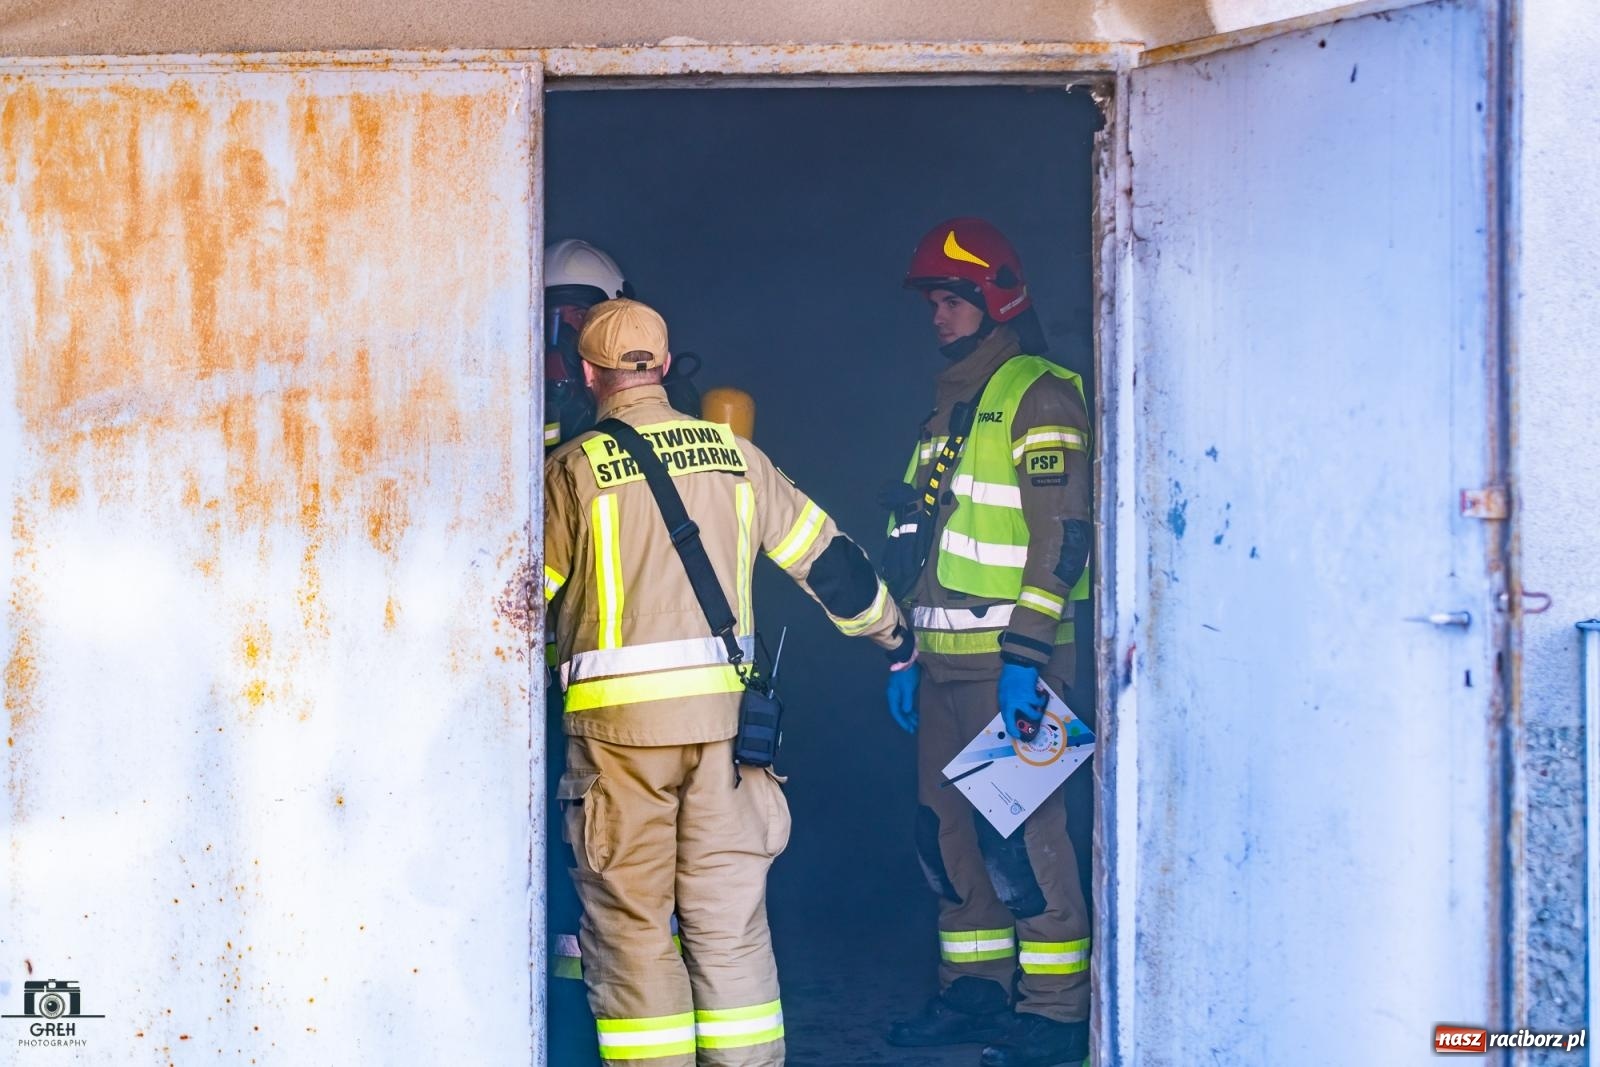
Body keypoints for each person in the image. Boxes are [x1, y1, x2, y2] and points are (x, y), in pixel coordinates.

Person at [544, 298, 915, 1066]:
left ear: (588, 372)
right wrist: (894, 634)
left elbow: (519, 607)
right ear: (664, 365)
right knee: (731, 930)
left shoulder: (573, 470)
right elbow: (827, 560)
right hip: (726, 739)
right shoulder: (735, 455)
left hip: (620, 745)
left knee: (635, 932)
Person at [880, 218, 1093, 1067]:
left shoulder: (1039, 393)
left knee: (1026, 838)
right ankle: (974, 990)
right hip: (942, 665)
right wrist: (904, 650)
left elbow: (1063, 537)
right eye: (932, 302)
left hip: (1012, 666)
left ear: (996, 299)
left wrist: (1028, 657)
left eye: (950, 300)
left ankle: (1054, 1013)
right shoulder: (947, 407)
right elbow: (918, 540)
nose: (936, 316)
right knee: (945, 836)